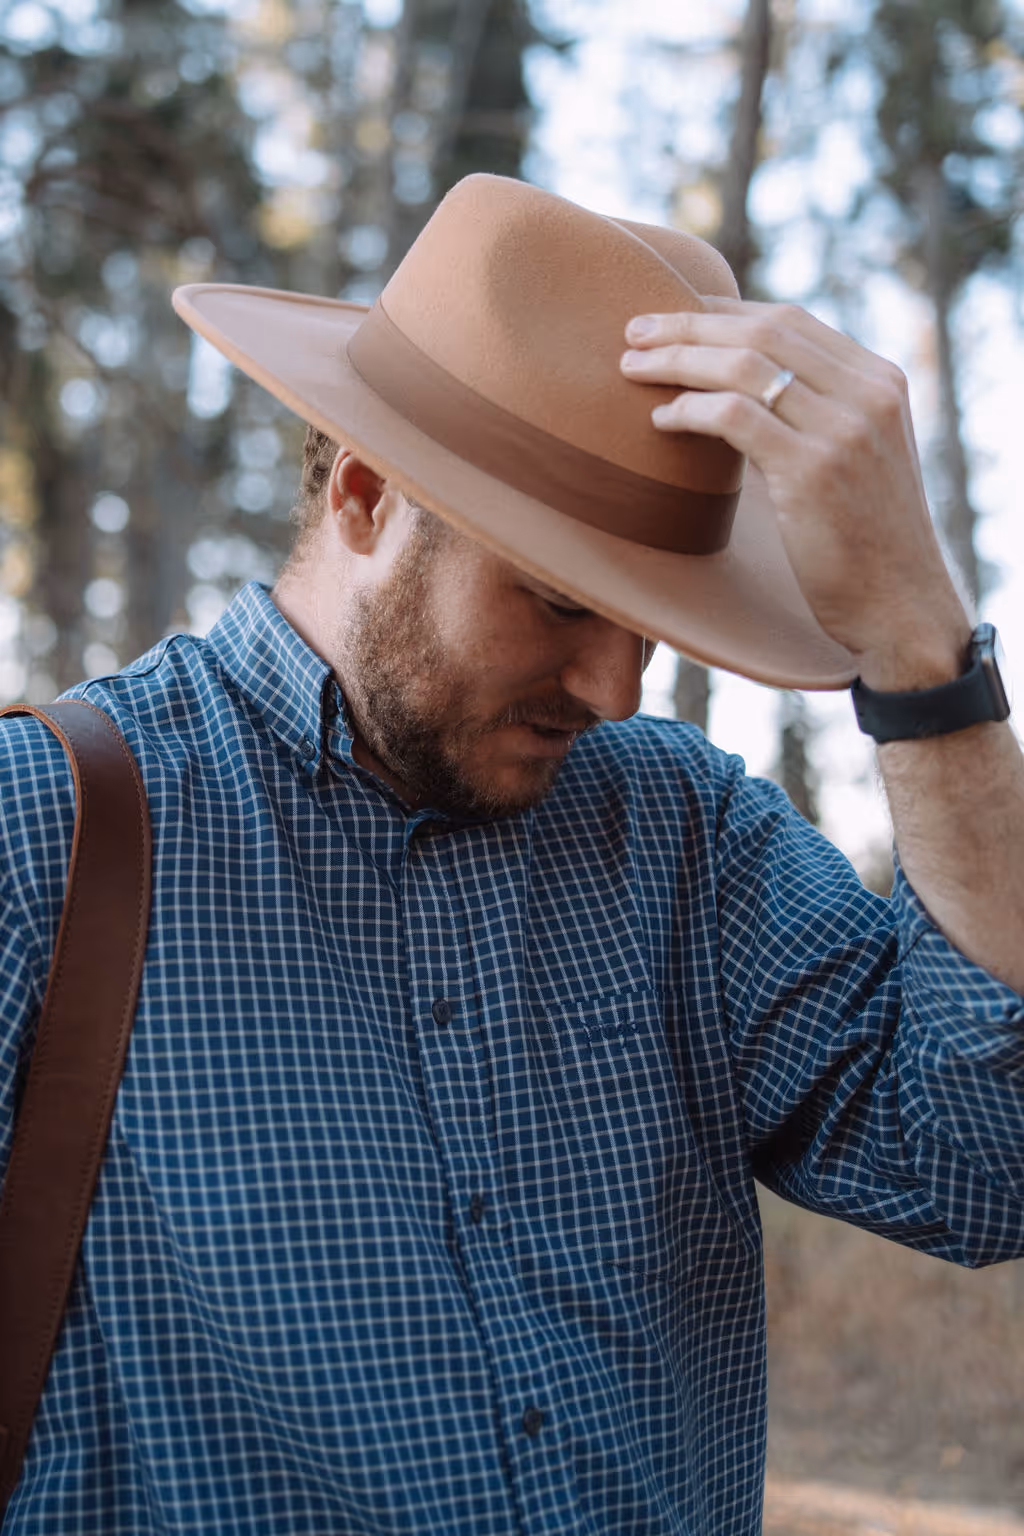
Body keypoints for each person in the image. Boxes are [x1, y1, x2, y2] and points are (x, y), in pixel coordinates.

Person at [1, 173, 1022, 1536]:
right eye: (556, 600)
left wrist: (918, 652)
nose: (613, 687)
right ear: (364, 496)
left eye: (652, 622)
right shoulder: (40, 836)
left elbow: (988, 1165)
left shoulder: (686, 833)